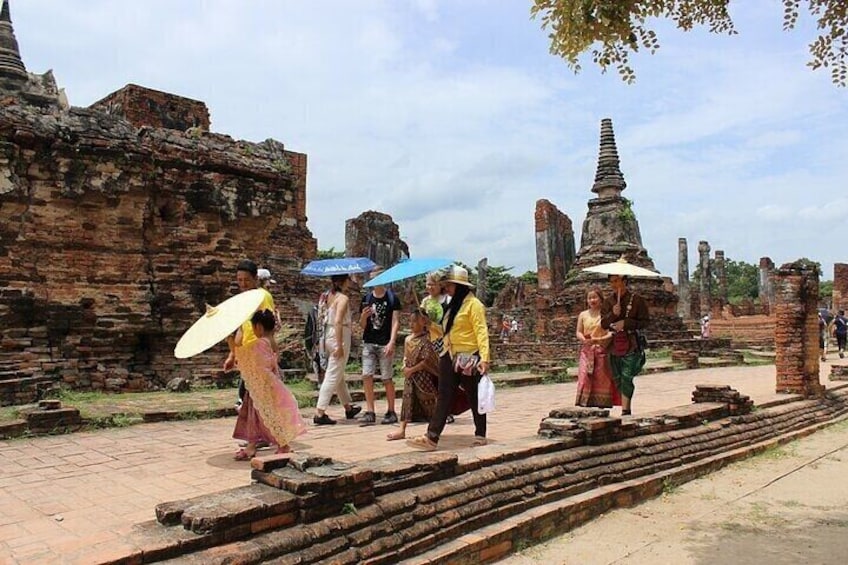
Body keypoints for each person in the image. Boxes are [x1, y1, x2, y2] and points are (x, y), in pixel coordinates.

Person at [407, 265, 490, 451]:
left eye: (450, 285)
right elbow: (445, 331)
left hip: (469, 356)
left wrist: (484, 358)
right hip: (448, 354)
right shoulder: (452, 305)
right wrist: (429, 323)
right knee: (444, 395)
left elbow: (481, 331)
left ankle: (480, 433)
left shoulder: (474, 305)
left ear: (459, 287)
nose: (448, 289)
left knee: (473, 395)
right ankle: (432, 436)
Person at [232, 310, 306, 458]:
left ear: (258, 327)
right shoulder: (270, 341)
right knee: (258, 416)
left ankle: (283, 445)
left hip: (263, 385)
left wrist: (230, 340)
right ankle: (253, 445)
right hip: (263, 385)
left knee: (270, 416)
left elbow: (242, 352)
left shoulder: (259, 343)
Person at [224, 259, 276, 459]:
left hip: (259, 352)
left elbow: (268, 325)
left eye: (246, 279)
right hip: (246, 353)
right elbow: (241, 328)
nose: (243, 283)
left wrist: (269, 354)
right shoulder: (241, 300)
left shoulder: (263, 296)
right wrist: (233, 353)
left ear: (255, 279)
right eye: (239, 280)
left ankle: (254, 442)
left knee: (255, 400)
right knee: (257, 400)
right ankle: (269, 437)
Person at [313, 274, 362, 425]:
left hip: (327, 335)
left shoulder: (327, 296)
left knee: (337, 373)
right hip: (338, 335)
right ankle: (320, 412)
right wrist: (340, 345)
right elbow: (339, 320)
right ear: (343, 281)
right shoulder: (342, 298)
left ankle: (348, 407)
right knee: (333, 374)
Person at [386, 308, 441, 441]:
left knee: (429, 403)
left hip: (424, 376)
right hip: (410, 377)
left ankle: (434, 429)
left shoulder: (427, 339)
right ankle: (401, 429)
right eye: (410, 321)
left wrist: (412, 370)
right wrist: (405, 366)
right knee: (407, 402)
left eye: (415, 321)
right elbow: (405, 356)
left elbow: (426, 361)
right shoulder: (408, 339)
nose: (411, 324)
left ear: (423, 322)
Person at [601, 274, 649, 416]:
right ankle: (624, 405)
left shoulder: (637, 300)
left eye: (617, 281)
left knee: (627, 376)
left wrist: (626, 323)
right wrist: (613, 314)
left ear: (625, 281)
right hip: (614, 345)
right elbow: (603, 324)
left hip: (631, 343)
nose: (614, 284)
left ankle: (626, 410)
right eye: (612, 282)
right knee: (617, 377)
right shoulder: (608, 302)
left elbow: (645, 322)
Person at [359, 267, 401, 425]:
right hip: (369, 341)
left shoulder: (391, 298)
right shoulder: (366, 299)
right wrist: (364, 316)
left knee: (386, 378)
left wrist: (392, 341)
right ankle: (370, 410)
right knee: (367, 375)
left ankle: (391, 410)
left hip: (385, 342)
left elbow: (395, 321)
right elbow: (362, 325)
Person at [575, 288, 620, 408]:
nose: (592, 300)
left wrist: (600, 340)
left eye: (595, 297)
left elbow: (612, 332)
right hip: (587, 350)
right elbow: (578, 332)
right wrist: (584, 339)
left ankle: (601, 405)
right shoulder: (583, 315)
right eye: (589, 298)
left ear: (601, 299)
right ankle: (585, 404)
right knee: (584, 376)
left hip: (602, 350)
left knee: (601, 379)